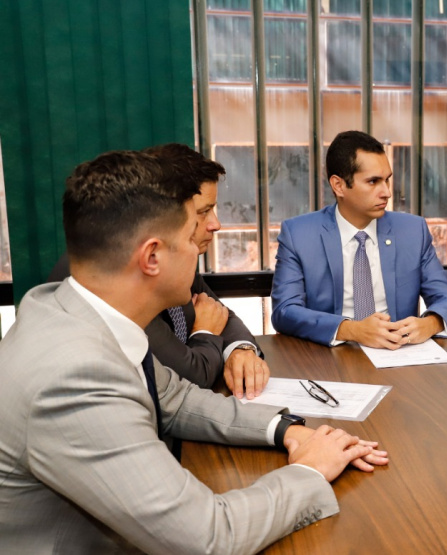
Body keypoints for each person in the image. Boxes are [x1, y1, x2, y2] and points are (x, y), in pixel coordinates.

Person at [0, 150, 388, 553]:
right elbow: (208, 538)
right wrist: (310, 471)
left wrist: (288, 430)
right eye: (192, 235)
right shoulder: (74, 376)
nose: (201, 245)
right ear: (151, 257)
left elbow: (175, 397)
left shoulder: (74, 310)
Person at [47, 143, 269, 399]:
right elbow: (191, 376)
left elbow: (220, 314)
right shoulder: (120, 272)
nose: (216, 224)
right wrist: (205, 332)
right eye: (204, 212)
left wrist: (240, 350)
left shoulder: (179, 253)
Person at [271, 130, 447, 349]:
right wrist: (352, 330)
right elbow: (285, 311)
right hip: (330, 357)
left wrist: (431, 323)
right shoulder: (299, 234)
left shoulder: (412, 230)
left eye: (387, 180)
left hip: (400, 355)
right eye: (373, 182)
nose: (386, 193)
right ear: (339, 185)